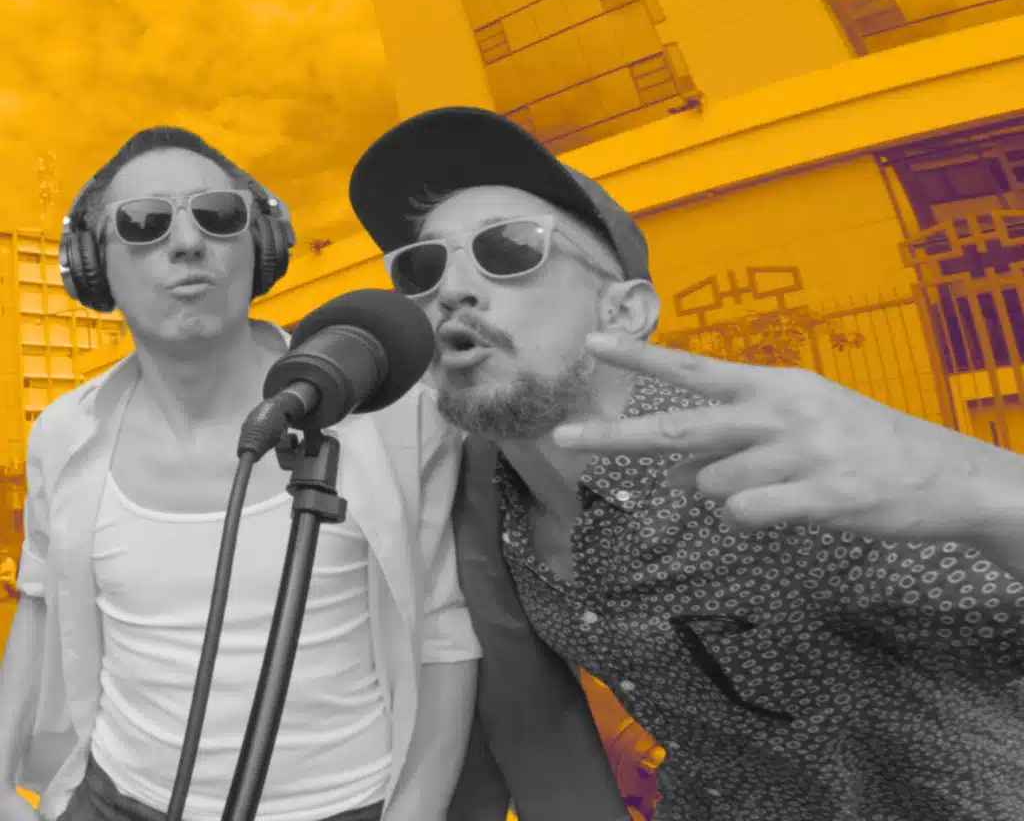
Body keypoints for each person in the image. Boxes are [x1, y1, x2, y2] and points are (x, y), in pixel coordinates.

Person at [348, 106, 1024, 821]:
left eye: (509, 249)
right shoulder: (491, 512)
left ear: (623, 312)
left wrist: (989, 494)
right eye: (421, 267)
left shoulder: (767, 470)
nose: (450, 291)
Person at [0, 126, 481, 821]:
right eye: (144, 223)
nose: (187, 242)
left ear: (261, 245)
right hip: (111, 798)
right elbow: (40, 602)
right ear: (92, 266)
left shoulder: (395, 417)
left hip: (345, 807)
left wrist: (416, 813)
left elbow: (443, 631)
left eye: (218, 215)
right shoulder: (63, 434)